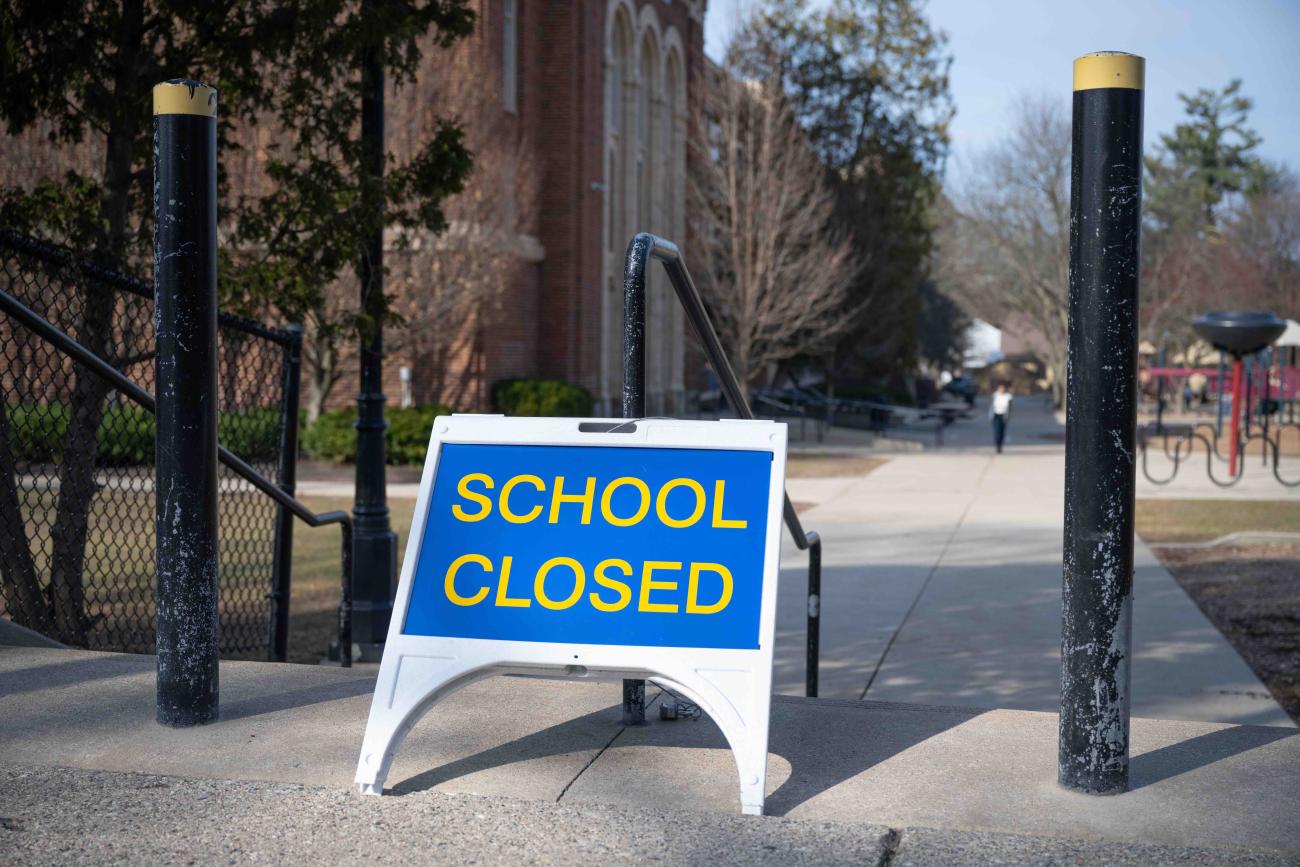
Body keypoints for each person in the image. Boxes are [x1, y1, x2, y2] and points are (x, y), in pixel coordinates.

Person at [990, 382, 1012, 453]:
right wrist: (991, 416)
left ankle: (1000, 445)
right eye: (1000, 388)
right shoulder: (995, 395)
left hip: (1003, 415)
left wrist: (1008, 416)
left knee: (1002, 432)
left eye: (1003, 388)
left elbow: (1010, 408)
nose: (1002, 389)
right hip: (996, 415)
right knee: (997, 432)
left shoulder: (1008, 396)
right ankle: (997, 445)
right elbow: (991, 407)